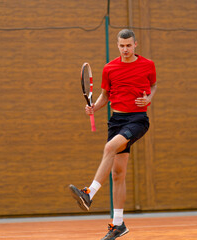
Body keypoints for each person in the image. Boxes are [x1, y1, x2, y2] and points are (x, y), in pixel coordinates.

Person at [69, 29, 157, 240]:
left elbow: (153, 85)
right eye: (121, 45)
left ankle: (89, 193)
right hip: (116, 121)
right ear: (117, 45)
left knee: (109, 147)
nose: (125, 49)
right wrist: (94, 108)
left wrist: (149, 98)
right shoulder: (109, 68)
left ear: (135, 44)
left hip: (137, 120)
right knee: (118, 174)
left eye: (129, 45)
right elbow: (105, 96)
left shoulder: (148, 65)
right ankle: (118, 224)